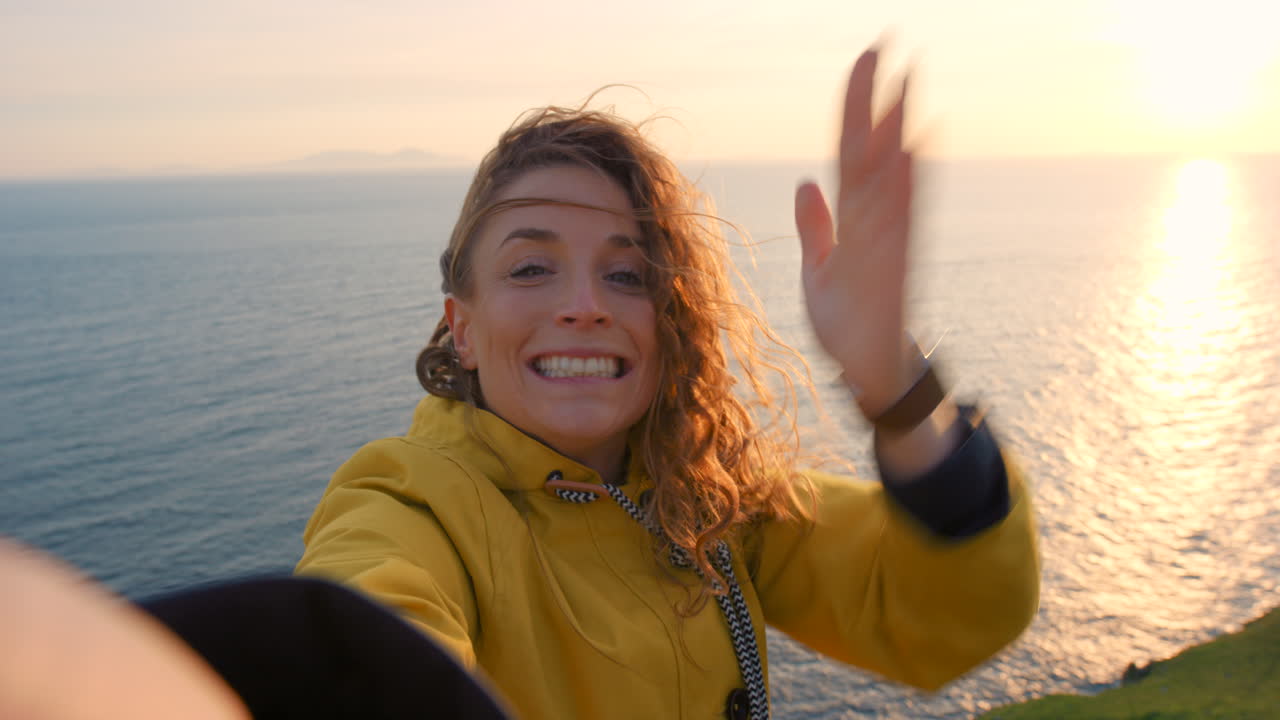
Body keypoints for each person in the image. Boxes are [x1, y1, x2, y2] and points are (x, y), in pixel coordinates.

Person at [296, 47, 1039, 720]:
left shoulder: (705, 497)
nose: (584, 306)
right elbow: (363, 643)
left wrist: (895, 391)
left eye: (626, 274)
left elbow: (948, 613)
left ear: (668, 321)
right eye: (530, 268)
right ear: (461, 328)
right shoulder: (407, 504)